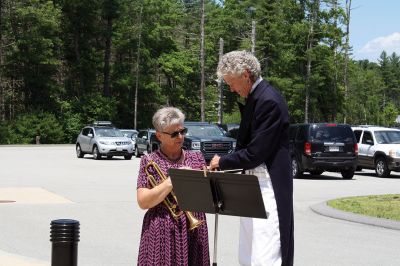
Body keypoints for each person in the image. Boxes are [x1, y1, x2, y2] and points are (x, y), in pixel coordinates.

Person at [210, 50, 294, 266]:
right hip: (253, 184)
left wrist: (222, 162)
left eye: (231, 82)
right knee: (247, 253)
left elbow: (256, 153)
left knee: (265, 255)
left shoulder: (269, 101)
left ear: (246, 75)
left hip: (269, 187)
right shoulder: (257, 98)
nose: (231, 88)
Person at [136, 107, 210, 266]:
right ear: (159, 135)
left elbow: (209, 195)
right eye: (175, 134)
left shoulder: (196, 158)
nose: (181, 137)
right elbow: (143, 202)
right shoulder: (149, 161)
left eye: (183, 131)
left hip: (195, 231)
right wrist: (171, 181)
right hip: (161, 232)